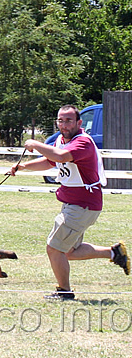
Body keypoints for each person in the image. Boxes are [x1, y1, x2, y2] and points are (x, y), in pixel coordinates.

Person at [10, 104, 129, 300]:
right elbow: (51, 161)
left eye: (68, 120)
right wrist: (23, 166)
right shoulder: (60, 140)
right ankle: (114, 253)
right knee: (70, 252)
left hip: (82, 205)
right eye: (60, 120)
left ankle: (64, 291)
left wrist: (35, 143)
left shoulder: (83, 143)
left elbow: (60, 156)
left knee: (55, 248)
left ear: (79, 122)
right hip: (74, 204)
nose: (64, 124)